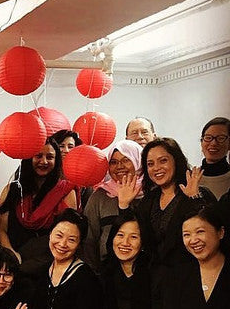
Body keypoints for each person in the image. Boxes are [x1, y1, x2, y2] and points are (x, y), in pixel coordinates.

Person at [116, 137, 213, 286]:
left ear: (176, 161)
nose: (156, 168)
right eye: (150, 164)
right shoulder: (148, 201)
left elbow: (212, 233)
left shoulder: (199, 194)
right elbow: (135, 235)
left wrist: (194, 198)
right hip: (154, 282)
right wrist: (123, 205)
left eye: (163, 161)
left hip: (192, 279)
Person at [0, 138, 77, 277]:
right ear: (28, 159)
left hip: (51, 264)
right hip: (14, 262)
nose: (44, 162)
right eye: (38, 156)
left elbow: (69, 232)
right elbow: (0, 228)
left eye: (50, 157)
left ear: (56, 160)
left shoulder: (66, 192)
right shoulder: (12, 189)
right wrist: (11, 253)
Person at [83, 139, 143, 271]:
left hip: (145, 271)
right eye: (114, 162)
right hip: (107, 271)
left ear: (138, 161)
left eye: (126, 160)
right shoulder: (100, 196)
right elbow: (89, 240)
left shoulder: (152, 192)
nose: (119, 166)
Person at [198, 116, 230, 200]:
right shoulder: (191, 178)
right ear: (201, 142)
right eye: (208, 138)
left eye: (221, 138)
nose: (213, 143)